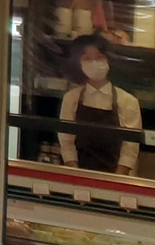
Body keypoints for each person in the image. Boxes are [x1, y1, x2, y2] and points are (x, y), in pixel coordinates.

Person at [59, 34, 141, 175]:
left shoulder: (128, 102)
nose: (94, 63)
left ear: (108, 60)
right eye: (87, 59)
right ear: (79, 64)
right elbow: (66, 143)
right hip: (78, 176)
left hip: (115, 177)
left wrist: (115, 180)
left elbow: (130, 149)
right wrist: (76, 175)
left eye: (99, 57)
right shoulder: (70, 99)